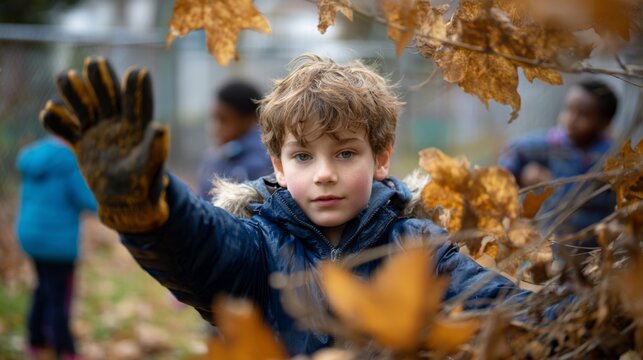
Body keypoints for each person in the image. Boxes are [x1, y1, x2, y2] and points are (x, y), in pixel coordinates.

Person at [40, 55, 530, 356]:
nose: (323, 173)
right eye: (302, 156)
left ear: (380, 157)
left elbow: (502, 305)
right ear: (277, 165)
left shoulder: (417, 247)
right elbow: (200, 246)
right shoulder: (259, 244)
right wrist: (150, 208)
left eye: (344, 153)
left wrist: (588, 314)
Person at [499, 80, 618, 246]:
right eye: (568, 109)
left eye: (583, 114)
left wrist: (552, 184)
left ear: (603, 123)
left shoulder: (611, 157)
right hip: (552, 242)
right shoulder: (551, 144)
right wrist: (516, 178)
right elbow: (514, 151)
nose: (571, 119)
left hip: (594, 248)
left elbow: (605, 200)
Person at [15, 134, 97, 359]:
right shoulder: (68, 160)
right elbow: (87, 200)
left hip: (30, 235)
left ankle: (35, 341)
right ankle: (65, 349)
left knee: (43, 287)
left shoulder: (34, 154)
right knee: (60, 297)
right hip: (57, 242)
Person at [196, 80, 273, 200]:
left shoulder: (261, 163)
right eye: (214, 119)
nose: (215, 128)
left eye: (223, 120)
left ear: (248, 120)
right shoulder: (215, 157)